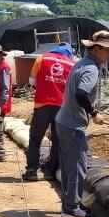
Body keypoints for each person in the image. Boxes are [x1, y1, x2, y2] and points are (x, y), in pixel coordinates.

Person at [55, 30, 109, 217]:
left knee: (70, 165)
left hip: (64, 121)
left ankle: (69, 203)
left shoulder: (82, 64)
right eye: (107, 51)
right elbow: (82, 94)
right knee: (77, 165)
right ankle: (72, 208)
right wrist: (94, 114)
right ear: (97, 49)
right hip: (72, 124)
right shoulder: (91, 68)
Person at [22, 43, 76, 182]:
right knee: (57, 140)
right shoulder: (72, 64)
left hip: (42, 104)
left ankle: (32, 170)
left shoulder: (42, 58)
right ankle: (51, 172)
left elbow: (32, 81)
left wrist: (46, 84)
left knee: (35, 138)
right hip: (62, 107)